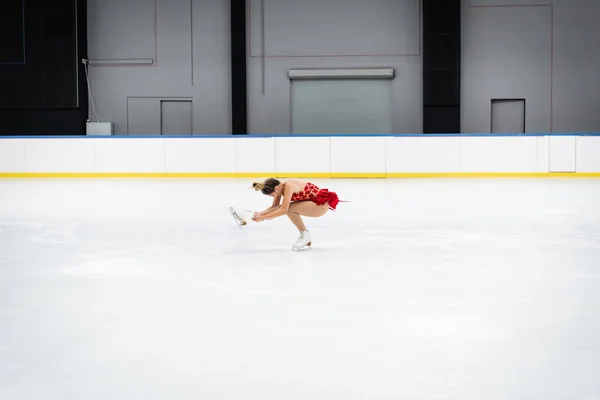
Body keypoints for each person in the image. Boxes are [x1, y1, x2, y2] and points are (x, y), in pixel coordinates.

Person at [251, 178, 341, 250]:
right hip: (312, 204)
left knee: (288, 208)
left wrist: (262, 217)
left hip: (320, 205)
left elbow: (283, 210)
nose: (273, 197)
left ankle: (305, 236)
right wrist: (258, 215)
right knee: (287, 208)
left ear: (276, 188)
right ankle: (305, 236)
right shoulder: (279, 189)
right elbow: (274, 207)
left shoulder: (289, 186)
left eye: (272, 195)